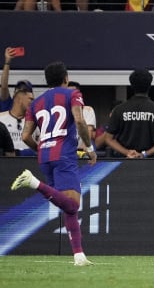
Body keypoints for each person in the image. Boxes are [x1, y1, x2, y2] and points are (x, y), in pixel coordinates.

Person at [10, 61, 96, 266]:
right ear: (66, 78)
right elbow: (80, 120)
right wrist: (89, 148)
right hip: (64, 155)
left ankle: (79, 255)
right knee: (73, 204)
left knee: (68, 208)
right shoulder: (72, 94)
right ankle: (33, 182)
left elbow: (25, 135)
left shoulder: (36, 103)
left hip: (45, 157)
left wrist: (41, 149)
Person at [104, 68, 154, 158]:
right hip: (150, 163)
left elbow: (108, 138)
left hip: (123, 161)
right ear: (150, 85)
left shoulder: (119, 110)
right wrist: (144, 154)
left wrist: (127, 153)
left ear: (131, 85)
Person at [0, 77, 36, 155]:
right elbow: (4, 87)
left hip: (29, 165)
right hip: (6, 164)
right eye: (20, 90)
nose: (31, 101)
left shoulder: (35, 121)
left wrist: (20, 153)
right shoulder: (1, 119)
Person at [67, 81, 96, 152]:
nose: (71, 95)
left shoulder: (88, 109)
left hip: (83, 146)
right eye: (68, 93)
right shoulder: (62, 110)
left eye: (73, 92)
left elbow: (89, 130)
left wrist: (85, 146)